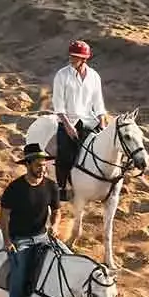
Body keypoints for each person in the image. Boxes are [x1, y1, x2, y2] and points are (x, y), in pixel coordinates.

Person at [0, 142, 62, 297]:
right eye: (38, 165)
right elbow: (3, 216)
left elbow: (57, 211)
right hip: (21, 240)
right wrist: (7, 241)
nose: (42, 169)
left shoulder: (51, 186)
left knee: (64, 259)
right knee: (19, 273)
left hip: (43, 237)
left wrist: (55, 225)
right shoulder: (14, 189)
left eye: (44, 165)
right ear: (27, 165)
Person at [48, 38, 108, 199]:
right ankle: (61, 188)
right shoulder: (62, 75)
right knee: (65, 156)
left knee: (103, 152)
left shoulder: (94, 77)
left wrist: (102, 122)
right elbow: (58, 105)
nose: (71, 59)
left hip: (89, 121)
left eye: (75, 57)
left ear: (84, 59)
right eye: (71, 56)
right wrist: (67, 126)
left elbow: (99, 102)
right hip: (68, 121)